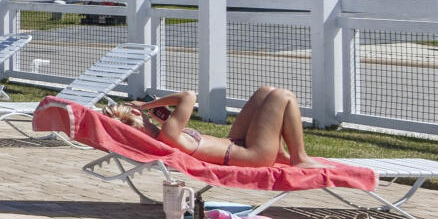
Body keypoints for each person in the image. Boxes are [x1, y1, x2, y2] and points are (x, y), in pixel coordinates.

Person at [103, 84, 312, 167]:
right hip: (252, 155)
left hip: (235, 144)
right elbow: (188, 96)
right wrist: (147, 104)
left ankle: (280, 154)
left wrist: (158, 117)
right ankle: (299, 158)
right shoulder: (168, 134)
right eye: (139, 112)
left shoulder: (165, 133)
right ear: (136, 116)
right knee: (282, 96)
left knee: (265, 92)